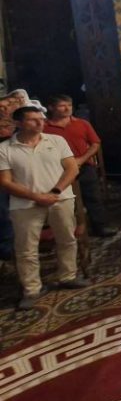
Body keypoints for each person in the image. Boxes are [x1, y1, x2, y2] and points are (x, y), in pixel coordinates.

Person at [0, 106, 87, 309]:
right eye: (33, 119)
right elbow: (5, 181)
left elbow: (72, 168)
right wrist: (36, 196)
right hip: (24, 204)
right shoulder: (5, 148)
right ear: (19, 123)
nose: (40, 122)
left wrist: (55, 191)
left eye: (41, 118)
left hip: (60, 198)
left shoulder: (56, 141)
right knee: (26, 248)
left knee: (67, 238)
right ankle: (31, 289)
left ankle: (68, 275)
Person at [44, 94, 115, 237]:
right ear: (51, 108)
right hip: (59, 169)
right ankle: (69, 230)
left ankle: (100, 226)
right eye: (62, 106)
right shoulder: (45, 127)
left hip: (84, 166)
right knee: (65, 201)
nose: (67, 108)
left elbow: (95, 143)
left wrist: (81, 159)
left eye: (69, 105)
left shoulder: (82, 123)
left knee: (93, 197)